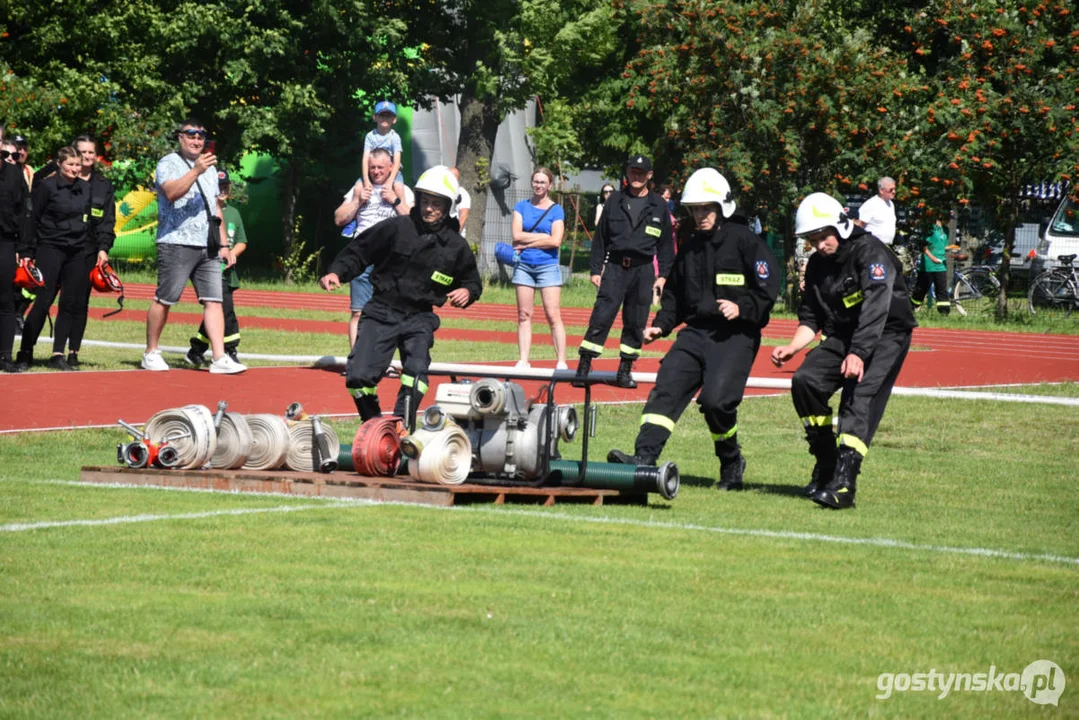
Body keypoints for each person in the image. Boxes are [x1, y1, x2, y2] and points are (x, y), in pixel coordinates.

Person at [607, 169, 779, 490]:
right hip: (696, 332)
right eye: (695, 209)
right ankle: (644, 458)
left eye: (706, 208)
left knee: (716, 402)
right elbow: (674, 295)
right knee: (668, 385)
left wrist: (743, 308)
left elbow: (768, 286)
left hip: (736, 335)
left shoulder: (745, 241)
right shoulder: (691, 248)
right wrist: (660, 326)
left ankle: (731, 462)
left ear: (722, 206)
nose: (700, 216)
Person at [770, 192, 916, 510]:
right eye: (813, 240)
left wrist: (859, 353)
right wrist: (794, 347)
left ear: (840, 226)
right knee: (805, 381)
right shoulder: (818, 266)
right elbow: (812, 317)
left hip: (886, 335)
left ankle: (844, 485)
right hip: (843, 335)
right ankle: (826, 466)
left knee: (858, 398)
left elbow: (877, 306)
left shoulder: (871, 251)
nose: (820, 245)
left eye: (823, 237)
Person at [319, 165, 482, 429]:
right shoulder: (396, 227)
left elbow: (472, 282)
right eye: (425, 201)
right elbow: (359, 252)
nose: (429, 208)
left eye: (436, 204)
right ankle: (374, 426)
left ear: (449, 207)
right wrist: (337, 272)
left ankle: (401, 426)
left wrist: (467, 292)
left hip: (419, 318)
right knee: (358, 377)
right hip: (381, 310)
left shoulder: (456, 246)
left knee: (416, 375)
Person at [142, 117, 246, 374]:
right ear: (180, 137)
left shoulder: (210, 168)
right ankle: (151, 351)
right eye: (191, 135)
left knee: (214, 300)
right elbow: (171, 193)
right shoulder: (169, 163)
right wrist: (196, 170)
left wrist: (223, 244)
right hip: (177, 241)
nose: (196, 140)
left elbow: (215, 209)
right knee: (165, 298)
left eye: (201, 136)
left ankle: (219, 357)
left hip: (207, 245)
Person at [577, 154, 674, 387]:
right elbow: (600, 238)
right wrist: (595, 269)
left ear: (649, 176)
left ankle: (625, 369)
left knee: (635, 321)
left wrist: (663, 277)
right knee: (601, 315)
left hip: (643, 271)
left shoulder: (659, 205)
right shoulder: (615, 201)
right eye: (633, 172)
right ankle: (584, 364)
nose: (636, 176)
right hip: (615, 267)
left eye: (641, 173)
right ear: (627, 174)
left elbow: (666, 245)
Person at [14, 146, 105, 371]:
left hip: (77, 251)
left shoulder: (86, 188)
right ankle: (25, 351)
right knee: (43, 302)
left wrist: (99, 248)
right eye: (70, 164)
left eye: (78, 164)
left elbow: (92, 221)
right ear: (59, 164)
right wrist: (27, 251)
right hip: (50, 248)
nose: (75, 168)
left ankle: (58, 354)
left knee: (70, 303)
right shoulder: (46, 187)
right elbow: (32, 219)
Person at [334, 147, 413, 349]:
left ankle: (381, 361)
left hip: (391, 258)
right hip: (363, 255)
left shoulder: (401, 190)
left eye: (380, 167)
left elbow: (415, 223)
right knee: (359, 311)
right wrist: (358, 202)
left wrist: (394, 200)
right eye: (372, 168)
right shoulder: (359, 188)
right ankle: (355, 359)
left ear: (391, 167)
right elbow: (339, 219)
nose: (376, 171)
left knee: (389, 311)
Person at [185, 169, 247, 366]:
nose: (222, 190)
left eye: (225, 186)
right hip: (211, 269)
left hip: (228, 272)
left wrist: (232, 254)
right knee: (226, 309)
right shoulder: (204, 211)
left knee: (217, 311)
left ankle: (196, 349)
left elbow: (241, 241)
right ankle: (229, 350)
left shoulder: (234, 213)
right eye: (219, 186)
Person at [511, 167, 567, 369]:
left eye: (543, 182)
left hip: (548, 267)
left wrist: (528, 243)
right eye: (536, 181)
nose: (538, 185)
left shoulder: (556, 210)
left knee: (553, 315)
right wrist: (542, 237)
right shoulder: (521, 207)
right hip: (524, 266)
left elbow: (555, 241)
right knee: (524, 314)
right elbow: (517, 235)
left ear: (550, 185)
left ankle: (561, 360)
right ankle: (524, 359)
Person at [0, 135, 31, 373]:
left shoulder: (13, 173)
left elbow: (23, 214)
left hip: (6, 243)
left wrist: (24, 248)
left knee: (6, 301)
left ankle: (5, 356)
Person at [362, 100, 406, 205]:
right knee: (358, 188)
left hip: (392, 172)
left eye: (388, 116)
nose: (385, 118)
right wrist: (366, 179)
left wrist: (390, 180)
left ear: (394, 119)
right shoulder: (370, 136)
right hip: (373, 171)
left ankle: (405, 214)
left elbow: (397, 160)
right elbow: (365, 159)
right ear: (375, 117)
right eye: (382, 115)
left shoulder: (395, 137)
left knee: (399, 188)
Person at [910, 219, 950, 315]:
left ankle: (944, 314)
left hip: (941, 265)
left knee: (942, 290)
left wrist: (953, 251)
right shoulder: (930, 228)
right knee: (920, 290)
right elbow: (924, 246)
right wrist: (932, 258)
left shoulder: (945, 229)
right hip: (928, 265)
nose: (948, 219)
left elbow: (943, 246)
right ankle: (910, 309)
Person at [856, 176, 897, 245]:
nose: (894, 192)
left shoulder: (891, 204)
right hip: (872, 247)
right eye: (891, 189)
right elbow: (858, 225)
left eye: (895, 189)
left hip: (886, 246)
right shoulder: (871, 204)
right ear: (881, 190)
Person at [449, 167, 470, 237]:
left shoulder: (462, 193)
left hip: (455, 236)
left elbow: (463, 216)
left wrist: (454, 235)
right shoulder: (444, 191)